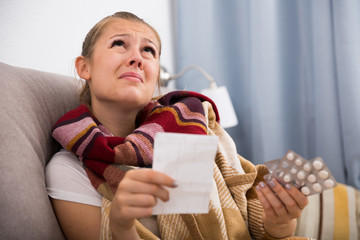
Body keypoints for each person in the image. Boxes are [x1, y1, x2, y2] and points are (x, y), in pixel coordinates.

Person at [46, 11, 309, 240]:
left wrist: (280, 221)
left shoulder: (190, 122)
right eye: (119, 44)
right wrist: (121, 226)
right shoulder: (68, 170)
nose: (137, 58)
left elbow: (268, 231)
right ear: (84, 67)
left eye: (148, 50)